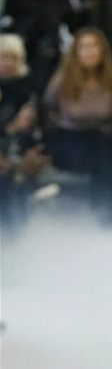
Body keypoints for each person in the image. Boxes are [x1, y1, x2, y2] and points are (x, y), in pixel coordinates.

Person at [43, 26, 112, 225]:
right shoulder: (62, 80)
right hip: (69, 137)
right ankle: (101, 215)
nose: (89, 51)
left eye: (94, 45)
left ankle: (108, 218)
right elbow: (47, 109)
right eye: (84, 46)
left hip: (102, 137)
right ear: (75, 51)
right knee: (99, 159)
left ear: (102, 51)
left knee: (104, 155)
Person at [1, 0, 87, 93]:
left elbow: (75, 26)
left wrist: (82, 7)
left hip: (53, 51)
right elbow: (8, 24)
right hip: (24, 51)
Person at [0, 33, 51, 227]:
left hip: (21, 150)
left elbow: (41, 127)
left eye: (12, 58)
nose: (7, 63)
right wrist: (11, 127)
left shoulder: (30, 88)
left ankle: (20, 233)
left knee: (22, 179)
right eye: (3, 57)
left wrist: (36, 152)